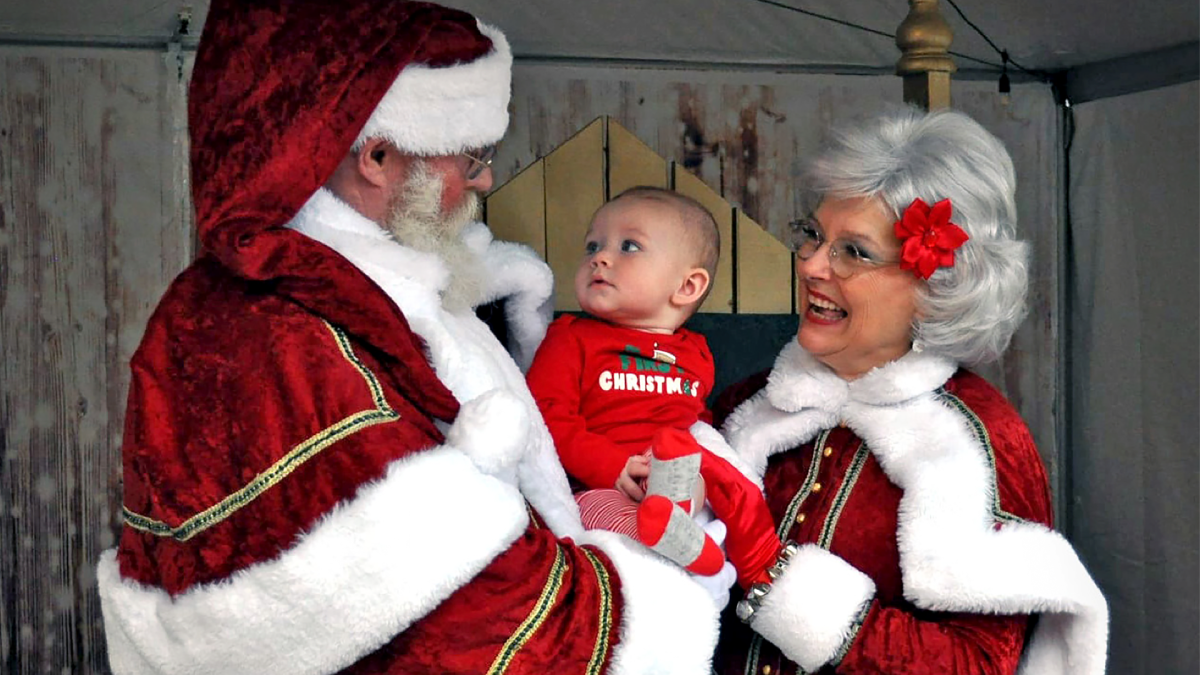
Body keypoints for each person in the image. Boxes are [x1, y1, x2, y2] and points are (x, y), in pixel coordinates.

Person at [95, 2, 729, 673]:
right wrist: (666, 601)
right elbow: (457, 609)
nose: (485, 179)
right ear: (378, 155)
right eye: (473, 156)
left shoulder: (398, 290)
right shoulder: (268, 330)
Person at [709, 107, 1109, 675]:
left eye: (854, 251)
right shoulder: (747, 407)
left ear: (936, 286)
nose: (814, 266)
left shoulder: (976, 445)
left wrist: (777, 578)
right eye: (815, 237)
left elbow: (975, 665)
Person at [526, 188, 780, 581]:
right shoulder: (571, 337)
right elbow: (546, 418)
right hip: (607, 481)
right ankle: (666, 534)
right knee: (595, 511)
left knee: (698, 474)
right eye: (592, 245)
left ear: (687, 287)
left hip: (672, 470)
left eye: (629, 246)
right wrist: (612, 466)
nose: (600, 257)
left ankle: (678, 518)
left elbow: (698, 421)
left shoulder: (696, 353)